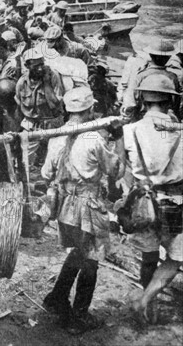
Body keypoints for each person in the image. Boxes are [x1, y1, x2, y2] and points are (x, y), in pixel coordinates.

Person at [41, 87, 125, 333]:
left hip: (66, 205)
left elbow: (46, 173)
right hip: (88, 205)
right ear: (89, 110)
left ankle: (56, 296)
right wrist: (118, 137)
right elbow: (116, 171)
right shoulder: (94, 139)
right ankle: (79, 318)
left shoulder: (56, 136)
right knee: (91, 260)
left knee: (79, 250)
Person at [123, 75, 183, 323]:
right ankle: (146, 299)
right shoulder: (180, 132)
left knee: (148, 255)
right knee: (176, 258)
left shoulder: (129, 130)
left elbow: (124, 171)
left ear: (141, 100)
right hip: (174, 203)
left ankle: (149, 305)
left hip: (142, 203)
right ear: (171, 99)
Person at [15, 45, 65, 169]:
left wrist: (47, 83)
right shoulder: (22, 82)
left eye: (41, 64)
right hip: (32, 124)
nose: (40, 68)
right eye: (36, 66)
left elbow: (55, 105)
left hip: (52, 122)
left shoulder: (53, 76)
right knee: (24, 159)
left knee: (57, 159)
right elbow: (19, 105)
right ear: (27, 66)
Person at [121, 39, 180, 119]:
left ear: (150, 55)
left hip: (143, 116)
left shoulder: (141, 75)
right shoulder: (173, 77)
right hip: (165, 116)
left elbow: (130, 101)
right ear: (168, 57)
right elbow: (176, 102)